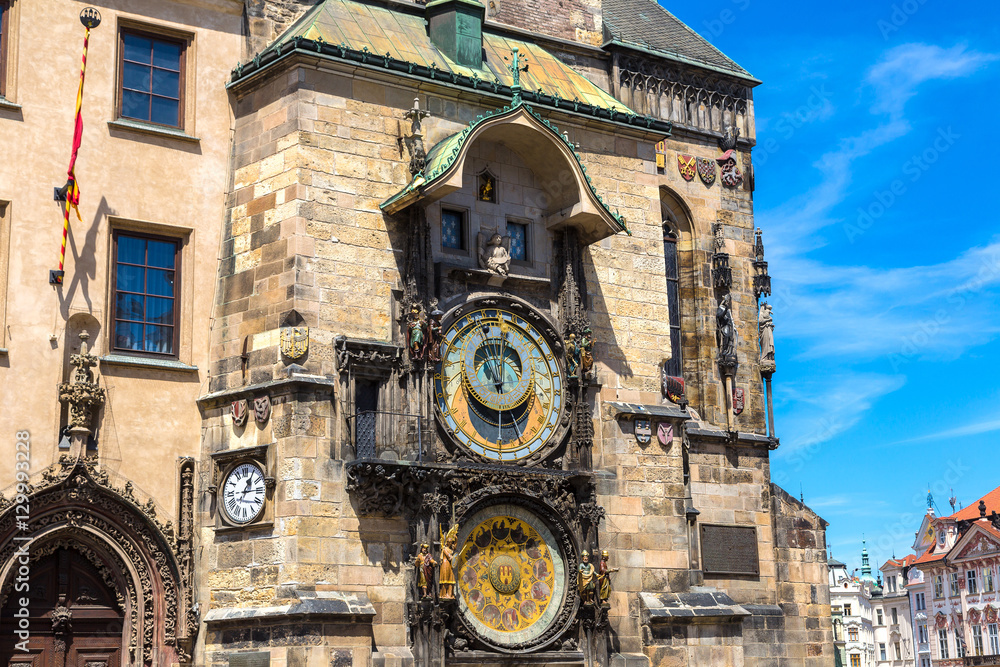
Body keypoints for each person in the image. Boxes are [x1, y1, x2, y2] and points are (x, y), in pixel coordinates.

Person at [439, 526, 458, 599]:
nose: (450, 543)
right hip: (445, 564)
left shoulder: (451, 548)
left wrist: (456, 539)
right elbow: (449, 557)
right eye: (448, 542)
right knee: (445, 580)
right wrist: (454, 558)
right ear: (446, 542)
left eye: (451, 542)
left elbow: (455, 547)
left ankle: (450, 594)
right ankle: (444, 594)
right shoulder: (444, 549)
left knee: (451, 580)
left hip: (449, 566)